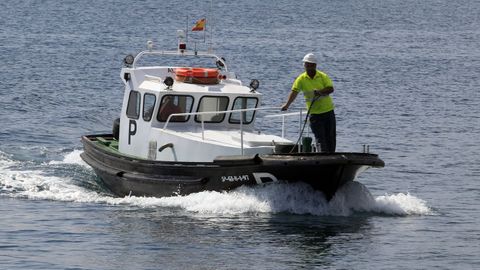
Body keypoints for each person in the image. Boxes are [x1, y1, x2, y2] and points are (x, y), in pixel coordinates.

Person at [281, 53, 336, 152]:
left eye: (311, 65)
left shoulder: (322, 76)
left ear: (315, 65)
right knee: (320, 138)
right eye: (307, 64)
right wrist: (287, 105)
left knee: (330, 137)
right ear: (304, 65)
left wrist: (320, 92)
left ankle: (332, 156)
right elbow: (294, 92)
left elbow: (331, 89)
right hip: (314, 114)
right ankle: (323, 156)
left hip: (328, 112)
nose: (309, 67)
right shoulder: (301, 79)